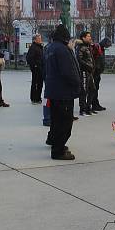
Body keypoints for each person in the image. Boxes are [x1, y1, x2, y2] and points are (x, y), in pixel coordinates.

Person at [44, 24, 81, 160]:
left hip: (53, 90)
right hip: (63, 92)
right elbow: (68, 72)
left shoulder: (49, 48)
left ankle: (57, 144)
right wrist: (77, 84)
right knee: (65, 122)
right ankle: (58, 150)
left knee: (56, 120)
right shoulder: (63, 50)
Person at [76, 31, 96, 116]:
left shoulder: (88, 47)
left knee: (92, 89)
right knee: (84, 91)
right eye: (88, 36)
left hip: (89, 72)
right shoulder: (81, 47)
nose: (90, 38)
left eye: (90, 36)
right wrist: (88, 66)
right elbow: (79, 60)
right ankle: (82, 109)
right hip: (84, 71)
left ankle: (88, 108)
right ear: (83, 38)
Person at [91, 37, 111, 111]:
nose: (108, 47)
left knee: (96, 89)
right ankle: (93, 104)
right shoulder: (97, 48)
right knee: (94, 89)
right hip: (95, 72)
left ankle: (96, 104)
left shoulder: (101, 48)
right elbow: (95, 59)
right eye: (108, 45)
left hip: (98, 72)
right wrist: (97, 68)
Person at [26, 34, 44, 104]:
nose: (40, 40)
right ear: (35, 40)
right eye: (39, 39)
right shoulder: (33, 47)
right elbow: (29, 58)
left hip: (41, 68)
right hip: (36, 69)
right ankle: (34, 98)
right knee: (35, 83)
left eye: (40, 38)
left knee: (40, 84)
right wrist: (34, 66)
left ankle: (38, 97)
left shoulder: (40, 47)